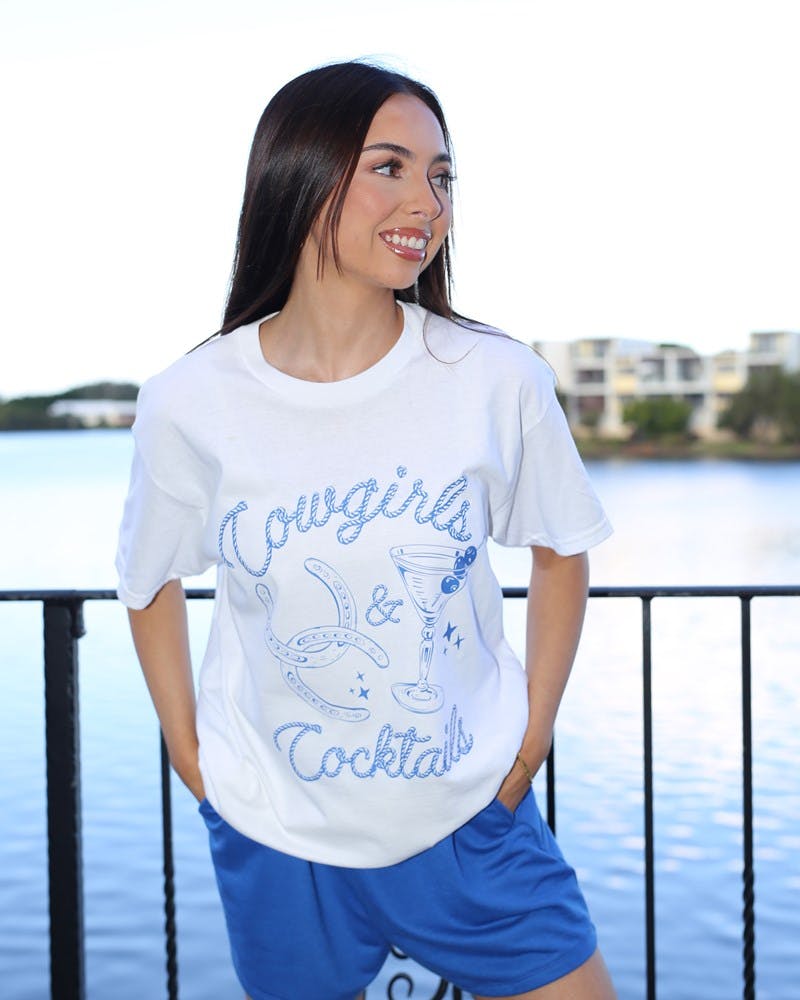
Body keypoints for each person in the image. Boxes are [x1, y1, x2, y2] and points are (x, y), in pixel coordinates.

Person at [116, 60, 617, 1000]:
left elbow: (562, 548)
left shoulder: (494, 377)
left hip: (470, 818)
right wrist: (193, 757)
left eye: (441, 175)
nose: (427, 201)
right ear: (301, 175)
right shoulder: (190, 400)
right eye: (390, 166)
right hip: (276, 830)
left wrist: (531, 740)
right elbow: (149, 580)